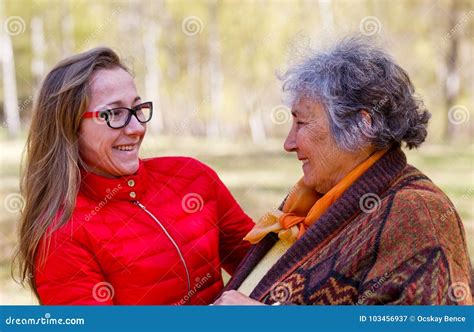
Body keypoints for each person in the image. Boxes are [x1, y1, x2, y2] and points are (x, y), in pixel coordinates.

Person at [214, 36, 472, 305]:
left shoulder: (419, 214)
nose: (288, 144)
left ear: (361, 127)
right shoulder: (313, 200)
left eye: (301, 123)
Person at [15, 47, 253, 305]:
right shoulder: (62, 236)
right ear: (69, 127)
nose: (137, 128)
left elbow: (263, 262)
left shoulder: (192, 176)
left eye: (137, 109)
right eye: (114, 113)